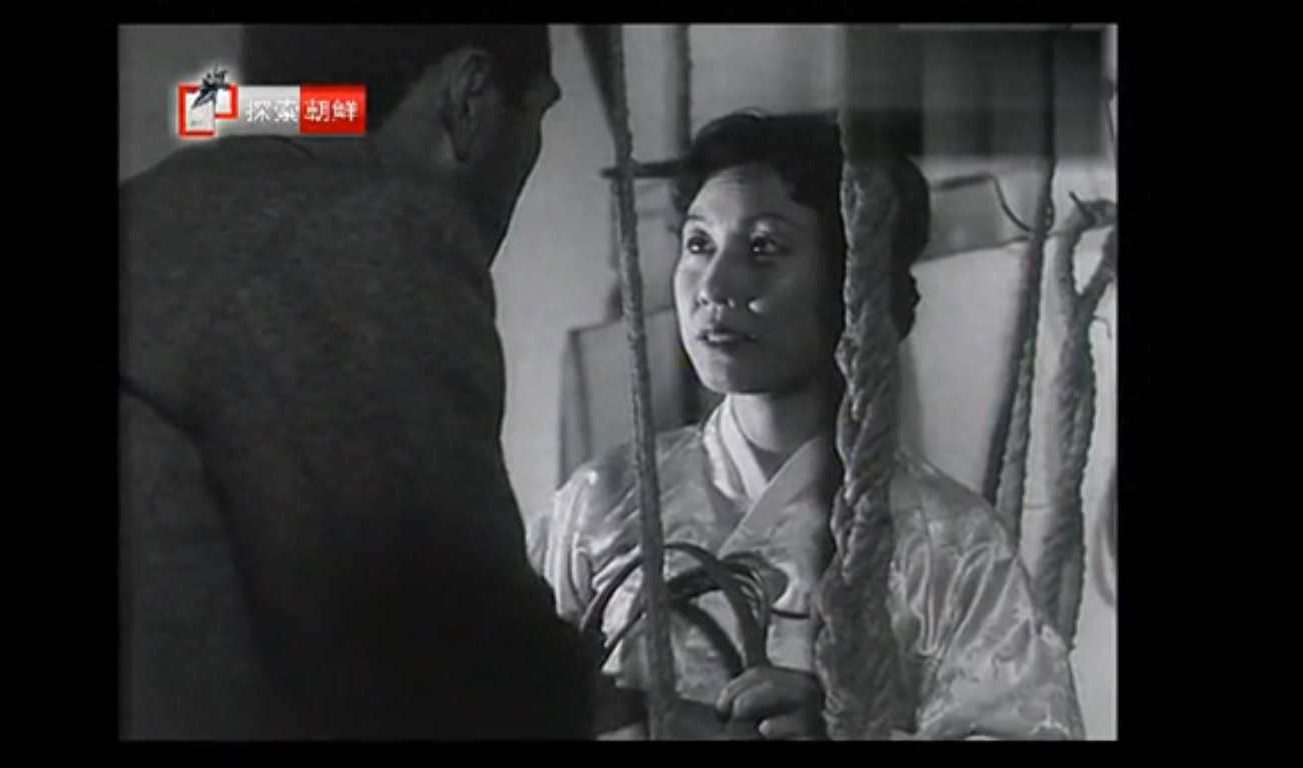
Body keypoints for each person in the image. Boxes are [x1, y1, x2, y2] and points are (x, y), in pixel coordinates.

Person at [528, 112, 1085, 740]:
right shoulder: (603, 501)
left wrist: (853, 731)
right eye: (698, 244)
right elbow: (491, 693)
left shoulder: (949, 541)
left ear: (852, 282)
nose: (714, 286)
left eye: (764, 248)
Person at [121, 25, 597, 740]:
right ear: (469, 99)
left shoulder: (155, 208)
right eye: (534, 115)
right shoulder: (362, 230)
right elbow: (452, 658)